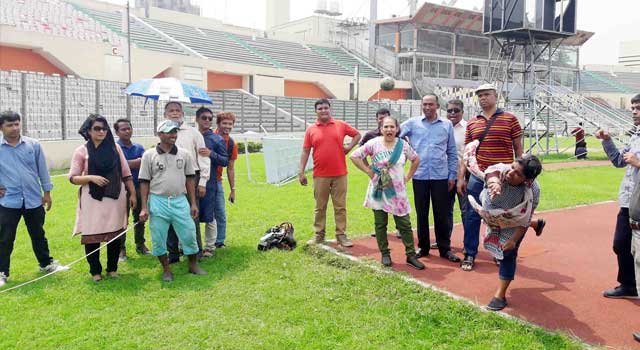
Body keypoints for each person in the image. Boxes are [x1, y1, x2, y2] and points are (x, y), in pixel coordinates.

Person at [458, 83, 523, 271]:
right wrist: (462, 177)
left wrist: (520, 175)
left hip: (504, 178)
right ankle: (469, 253)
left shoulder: (510, 119)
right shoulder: (472, 122)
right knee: (472, 215)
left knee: (501, 217)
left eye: (486, 94)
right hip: (478, 177)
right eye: (479, 96)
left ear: (496, 96)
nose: (483, 98)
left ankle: (497, 251)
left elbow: (518, 148)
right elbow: (467, 153)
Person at [0, 111, 67, 288]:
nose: (15, 128)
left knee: (38, 234)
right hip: (8, 201)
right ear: (1, 127)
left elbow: (42, 170)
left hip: (33, 199)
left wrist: (47, 192)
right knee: (5, 238)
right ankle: (2, 272)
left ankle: (46, 264)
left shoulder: (33, 145)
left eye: (17, 124)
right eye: (10, 125)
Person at [469, 155, 542, 311]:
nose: (511, 173)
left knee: (508, 252)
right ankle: (537, 224)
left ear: (527, 181)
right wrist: (494, 183)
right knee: (492, 242)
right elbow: (492, 173)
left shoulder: (533, 191)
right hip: (494, 214)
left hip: (515, 220)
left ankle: (500, 295)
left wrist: (514, 240)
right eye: (512, 167)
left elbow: (525, 219)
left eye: (518, 174)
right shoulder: (501, 170)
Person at [350, 116, 425, 269]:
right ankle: (385, 253)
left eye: (392, 127)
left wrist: (408, 176)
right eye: (386, 127)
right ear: (381, 129)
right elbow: (354, 156)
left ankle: (410, 255)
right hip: (379, 190)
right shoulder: (373, 143)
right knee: (380, 224)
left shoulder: (403, 145)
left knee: (404, 224)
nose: (389, 130)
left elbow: (416, 159)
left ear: (397, 129)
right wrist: (368, 171)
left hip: (398, 192)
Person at [69, 114, 136, 282]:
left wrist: (133, 194)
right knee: (92, 234)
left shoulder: (115, 148)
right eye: (97, 128)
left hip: (115, 197)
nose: (101, 132)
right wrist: (91, 178)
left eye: (104, 128)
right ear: (88, 131)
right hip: (92, 199)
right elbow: (73, 178)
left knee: (114, 234)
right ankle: (95, 271)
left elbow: (126, 174)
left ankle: (112, 269)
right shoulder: (82, 150)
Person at [138, 120, 207, 282]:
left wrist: (193, 203)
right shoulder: (149, 155)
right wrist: (144, 207)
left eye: (175, 131)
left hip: (179, 200)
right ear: (160, 134)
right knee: (158, 237)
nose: (173, 135)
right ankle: (166, 269)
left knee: (189, 233)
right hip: (158, 201)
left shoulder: (184, 154)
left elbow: (190, 179)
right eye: (169, 132)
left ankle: (193, 265)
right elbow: (144, 181)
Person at [399, 94, 460, 263]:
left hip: (441, 176)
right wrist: (404, 149)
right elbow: (395, 135)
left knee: (441, 214)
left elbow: (452, 152)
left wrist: (452, 175)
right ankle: (423, 247)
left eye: (430, 104)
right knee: (422, 213)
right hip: (419, 175)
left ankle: (445, 248)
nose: (427, 107)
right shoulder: (412, 123)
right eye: (424, 104)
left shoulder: (446, 125)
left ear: (437, 106)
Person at [299, 98, 361, 247]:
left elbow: (357, 135)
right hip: (320, 175)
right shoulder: (311, 129)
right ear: (316, 111)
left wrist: (349, 147)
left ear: (330, 109)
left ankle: (341, 235)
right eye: (320, 108)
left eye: (325, 108)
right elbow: (306, 151)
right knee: (320, 206)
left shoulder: (340, 125)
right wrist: (301, 172)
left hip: (340, 174)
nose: (323, 110)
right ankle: (319, 235)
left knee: (340, 206)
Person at [595, 93, 640, 299]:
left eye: (638, 108)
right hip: (629, 201)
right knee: (621, 244)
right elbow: (618, 161)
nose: (634, 112)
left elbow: (633, 161)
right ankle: (629, 285)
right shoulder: (636, 135)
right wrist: (607, 141)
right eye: (632, 108)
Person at [163, 102, 210, 263]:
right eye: (171, 111)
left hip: (191, 177)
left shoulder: (193, 133)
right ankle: (173, 254)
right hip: (168, 178)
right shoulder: (162, 132)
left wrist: (203, 181)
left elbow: (203, 157)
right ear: (165, 114)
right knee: (169, 215)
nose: (175, 113)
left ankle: (196, 252)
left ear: (182, 113)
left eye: (177, 110)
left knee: (192, 214)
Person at [433, 99, 468, 250]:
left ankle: (469, 245)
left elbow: (468, 155)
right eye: (450, 110)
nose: (452, 113)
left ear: (462, 112)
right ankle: (443, 241)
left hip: (463, 177)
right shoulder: (440, 127)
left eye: (456, 110)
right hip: (443, 176)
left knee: (466, 212)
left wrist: (462, 178)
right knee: (444, 212)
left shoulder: (468, 129)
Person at [113, 118, 149, 260]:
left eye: (129, 128)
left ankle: (140, 244)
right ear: (117, 132)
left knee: (140, 217)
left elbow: (146, 164)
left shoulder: (139, 147)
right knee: (122, 220)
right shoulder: (114, 148)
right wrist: (136, 162)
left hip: (140, 187)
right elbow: (118, 167)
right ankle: (121, 250)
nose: (127, 131)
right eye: (123, 129)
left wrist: (129, 163)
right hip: (121, 189)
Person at [195, 107, 228, 258]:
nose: (207, 120)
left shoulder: (216, 139)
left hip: (210, 182)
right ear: (197, 119)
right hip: (189, 181)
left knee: (210, 214)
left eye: (210, 118)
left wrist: (211, 154)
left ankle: (209, 246)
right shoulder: (190, 136)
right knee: (188, 213)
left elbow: (225, 160)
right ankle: (188, 246)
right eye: (204, 118)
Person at [210, 111, 238, 249]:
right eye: (224, 123)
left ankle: (219, 241)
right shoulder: (209, 137)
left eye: (230, 124)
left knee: (220, 212)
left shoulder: (232, 144)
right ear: (218, 124)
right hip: (201, 180)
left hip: (217, 181)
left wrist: (233, 190)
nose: (227, 126)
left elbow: (231, 168)